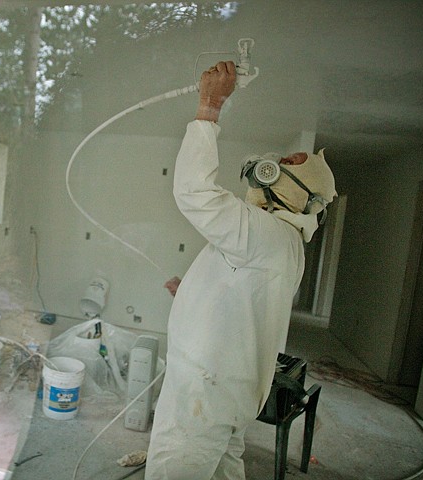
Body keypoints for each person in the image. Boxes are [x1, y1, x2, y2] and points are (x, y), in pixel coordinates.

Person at [145, 61, 337, 479]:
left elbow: (193, 192)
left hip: (203, 394)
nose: (274, 165)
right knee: (223, 469)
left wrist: (210, 105)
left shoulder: (265, 233)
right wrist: (195, 290)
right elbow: (244, 301)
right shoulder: (284, 244)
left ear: (297, 190)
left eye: (287, 164)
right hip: (230, 392)